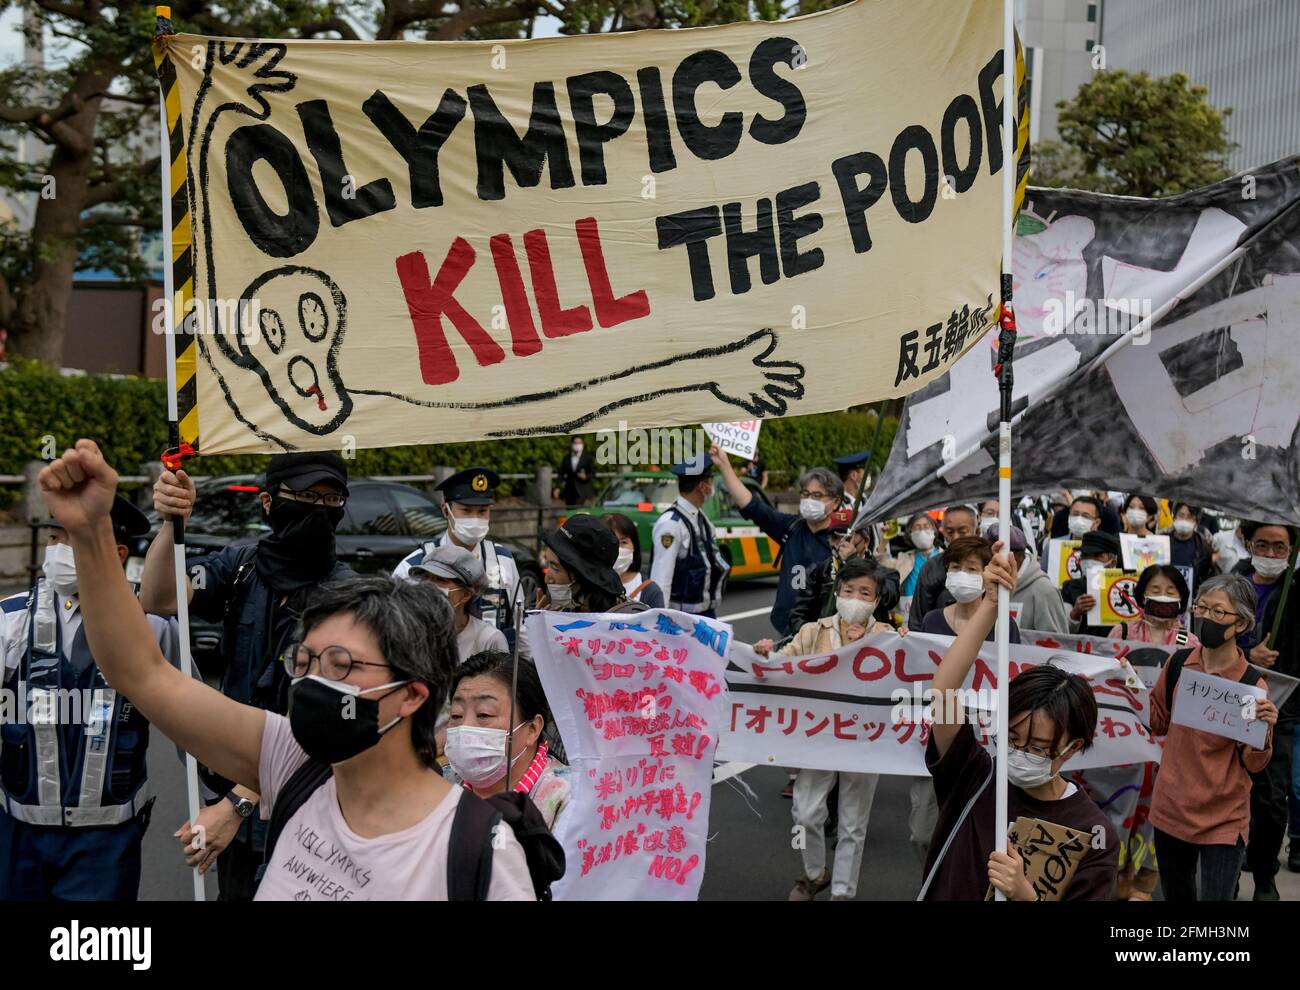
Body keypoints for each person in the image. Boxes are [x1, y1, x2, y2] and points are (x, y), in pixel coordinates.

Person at [38, 440, 536, 901]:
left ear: (412, 693)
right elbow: (140, 666)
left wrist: (237, 804)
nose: (313, 682)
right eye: (304, 662)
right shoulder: (290, 759)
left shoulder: (477, 852)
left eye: (341, 664)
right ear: (269, 502)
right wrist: (91, 533)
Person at [140, 451, 354, 901]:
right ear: (268, 503)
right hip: (233, 799)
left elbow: (327, 726)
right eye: (306, 496)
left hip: (306, 803)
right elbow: (158, 598)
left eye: (331, 499)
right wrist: (171, 523)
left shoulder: (348, 596)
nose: (318, 509)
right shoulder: (243, 565)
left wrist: (238, 804)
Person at [0, 497, 188, 900]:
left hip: (106, 844)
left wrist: (218, 802)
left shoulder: (152, 627)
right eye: (52, 538)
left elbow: (192, 724)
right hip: (18, 836)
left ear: (117, 553)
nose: (55, 551)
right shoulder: (10, 619)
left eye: (71, 541)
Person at [919, 541, 1119, 900]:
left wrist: (1026, 895)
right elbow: (943, 693)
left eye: (1039, 748)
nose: (1020, 753)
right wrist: (991, 607)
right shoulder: (975, 775)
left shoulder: (1093, 833)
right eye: (1012, 739)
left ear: (1072, 748)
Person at [752, 558, 891, 901]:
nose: (855, 597)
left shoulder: (886, 636)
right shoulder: (814, 631)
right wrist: (764, 655)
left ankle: (842, 892)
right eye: (848, 590)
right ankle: (816, 873)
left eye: (865, 592)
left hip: (863, 740)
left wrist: (866, 646)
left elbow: (896, 681)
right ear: (838, 592)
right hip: (819, 736)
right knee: (805, 812)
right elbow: (783, 664)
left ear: (876, 601)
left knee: (853, 822)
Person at [1149, 574, 1277, 901]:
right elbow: (1158, 722)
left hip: (1223, 817)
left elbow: (1254, 763)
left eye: (1218, 612)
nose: (1207, 618)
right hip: (1171, 808)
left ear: (1242, 625)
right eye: (1202, 608)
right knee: (1176, 895)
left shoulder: (1252, 687)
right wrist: (1131, 689)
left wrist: (1264, 732)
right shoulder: (1178, 663)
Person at [1232, 522, 1299, 898]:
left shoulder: (1297, 590)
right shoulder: (1231, 582)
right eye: (1263, 545)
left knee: (1272, 799)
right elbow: (1205, 628)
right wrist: (1246, 654)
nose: (1271, 555)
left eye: (1280, 547)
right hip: (1229, 701)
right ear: (1248, 543)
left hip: (1281, 709)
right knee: (1228, 792)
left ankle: (1264, 875)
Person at [393, 467, 524, 652]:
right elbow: (394, 631)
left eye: (482, 511)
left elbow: (521, 627)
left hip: (492, 671)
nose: (475, 519)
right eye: (466, 510)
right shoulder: (413, 566)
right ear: (446, 510)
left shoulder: (503, 560)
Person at [712, 445, 839, 635]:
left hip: (824, 632)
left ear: (835, 502)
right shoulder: (792, 527)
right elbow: (752, 505)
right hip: (787, 629)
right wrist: (724, 465)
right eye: (805, 494)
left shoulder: (841, 540)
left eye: (817, 495)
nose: (809, 500)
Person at [444, 651, 571, 830]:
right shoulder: (441, 785)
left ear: (532, 729)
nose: (465, 727)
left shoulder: (568, 800)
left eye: (484, 714)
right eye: (456, 715)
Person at [784, 512, 900, 634]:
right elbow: (798, 614)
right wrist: (813, 637)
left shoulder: (886, 574)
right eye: (834, 538)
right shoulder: (817, 572)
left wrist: (852, 562)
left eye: (847, 538)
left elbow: (889, 599)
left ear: (866, 541)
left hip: (868, 643)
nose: (840, 544)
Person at [649, 458, 730, 618]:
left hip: (704, 614)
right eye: (710, 481)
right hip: (682, 617)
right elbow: (661, 579)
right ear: (702, 486)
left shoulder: (701, 517)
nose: (711, 487)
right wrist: (660, 621)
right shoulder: (671, 524)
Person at [407, 545, 507, 661]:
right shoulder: (412, 634)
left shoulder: (488, 639)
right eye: (426, 578)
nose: (428, 586)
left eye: (440, 580)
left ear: (465, 595)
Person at [538, 515, 648, 614]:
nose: (547, 579)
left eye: (555, 567)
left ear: (583, 575)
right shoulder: (562, 611)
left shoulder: (625, 625)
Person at [919, 536, 1021, 642]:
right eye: (955, 567)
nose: (962, 574)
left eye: (972, 569)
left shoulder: (1004, 625)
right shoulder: (932, 620)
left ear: (987, 574)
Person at [988, 524, 1070, 635]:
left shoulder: (1044, 591)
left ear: (1017, 555)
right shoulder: (987, 582)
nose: (990, 559)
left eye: (996, 553)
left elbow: (1055, 643)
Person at [906, 505, 978, 630]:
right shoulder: (930, 568)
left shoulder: (988, 565)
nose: (955, 538)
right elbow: (917, 621)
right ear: (942, 532)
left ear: (976, 532)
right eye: (950, 532)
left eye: (962, 532)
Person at [1061, 530, 1122, 637]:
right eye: (1085, 555)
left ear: (1113, 562)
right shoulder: (1069, 587)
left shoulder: (1124, 587)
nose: (1089, 561)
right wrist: (1075, 613)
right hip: (1081, 650)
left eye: (1097, 556)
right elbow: (1062, 629)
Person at [603, 513, 665, 609]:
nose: (617, 549)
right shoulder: (586, 588)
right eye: (609, 542)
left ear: (634, 546)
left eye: (623, 542)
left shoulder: (650, 591)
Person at [884, 512, 941, 605]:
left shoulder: (946, 557)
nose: (922, 531)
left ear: (934, 531)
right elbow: (882, 565)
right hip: (908, 610)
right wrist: (884, 541)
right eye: (917, 528)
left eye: (926, 527)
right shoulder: (903, 558)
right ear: (910, 533)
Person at [1167, 502, 1218, 594]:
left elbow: (1206, 578)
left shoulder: (1204, 547)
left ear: (1196, 521)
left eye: (1189, 517)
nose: (1184, 520)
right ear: (1174, 517)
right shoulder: (1163, 540)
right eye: (1181, 515)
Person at [554, 435, 597, 505]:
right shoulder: (566, 458)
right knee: (570, 512)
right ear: (571, 444)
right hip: (569, 492)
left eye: (579, 443)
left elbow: (593, 473)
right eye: (575, 443)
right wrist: (557, 487)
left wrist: (586, 477)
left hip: (583, 492)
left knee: (580, 513)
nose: (577, 445)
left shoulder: (587, 458)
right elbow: (561, 473)